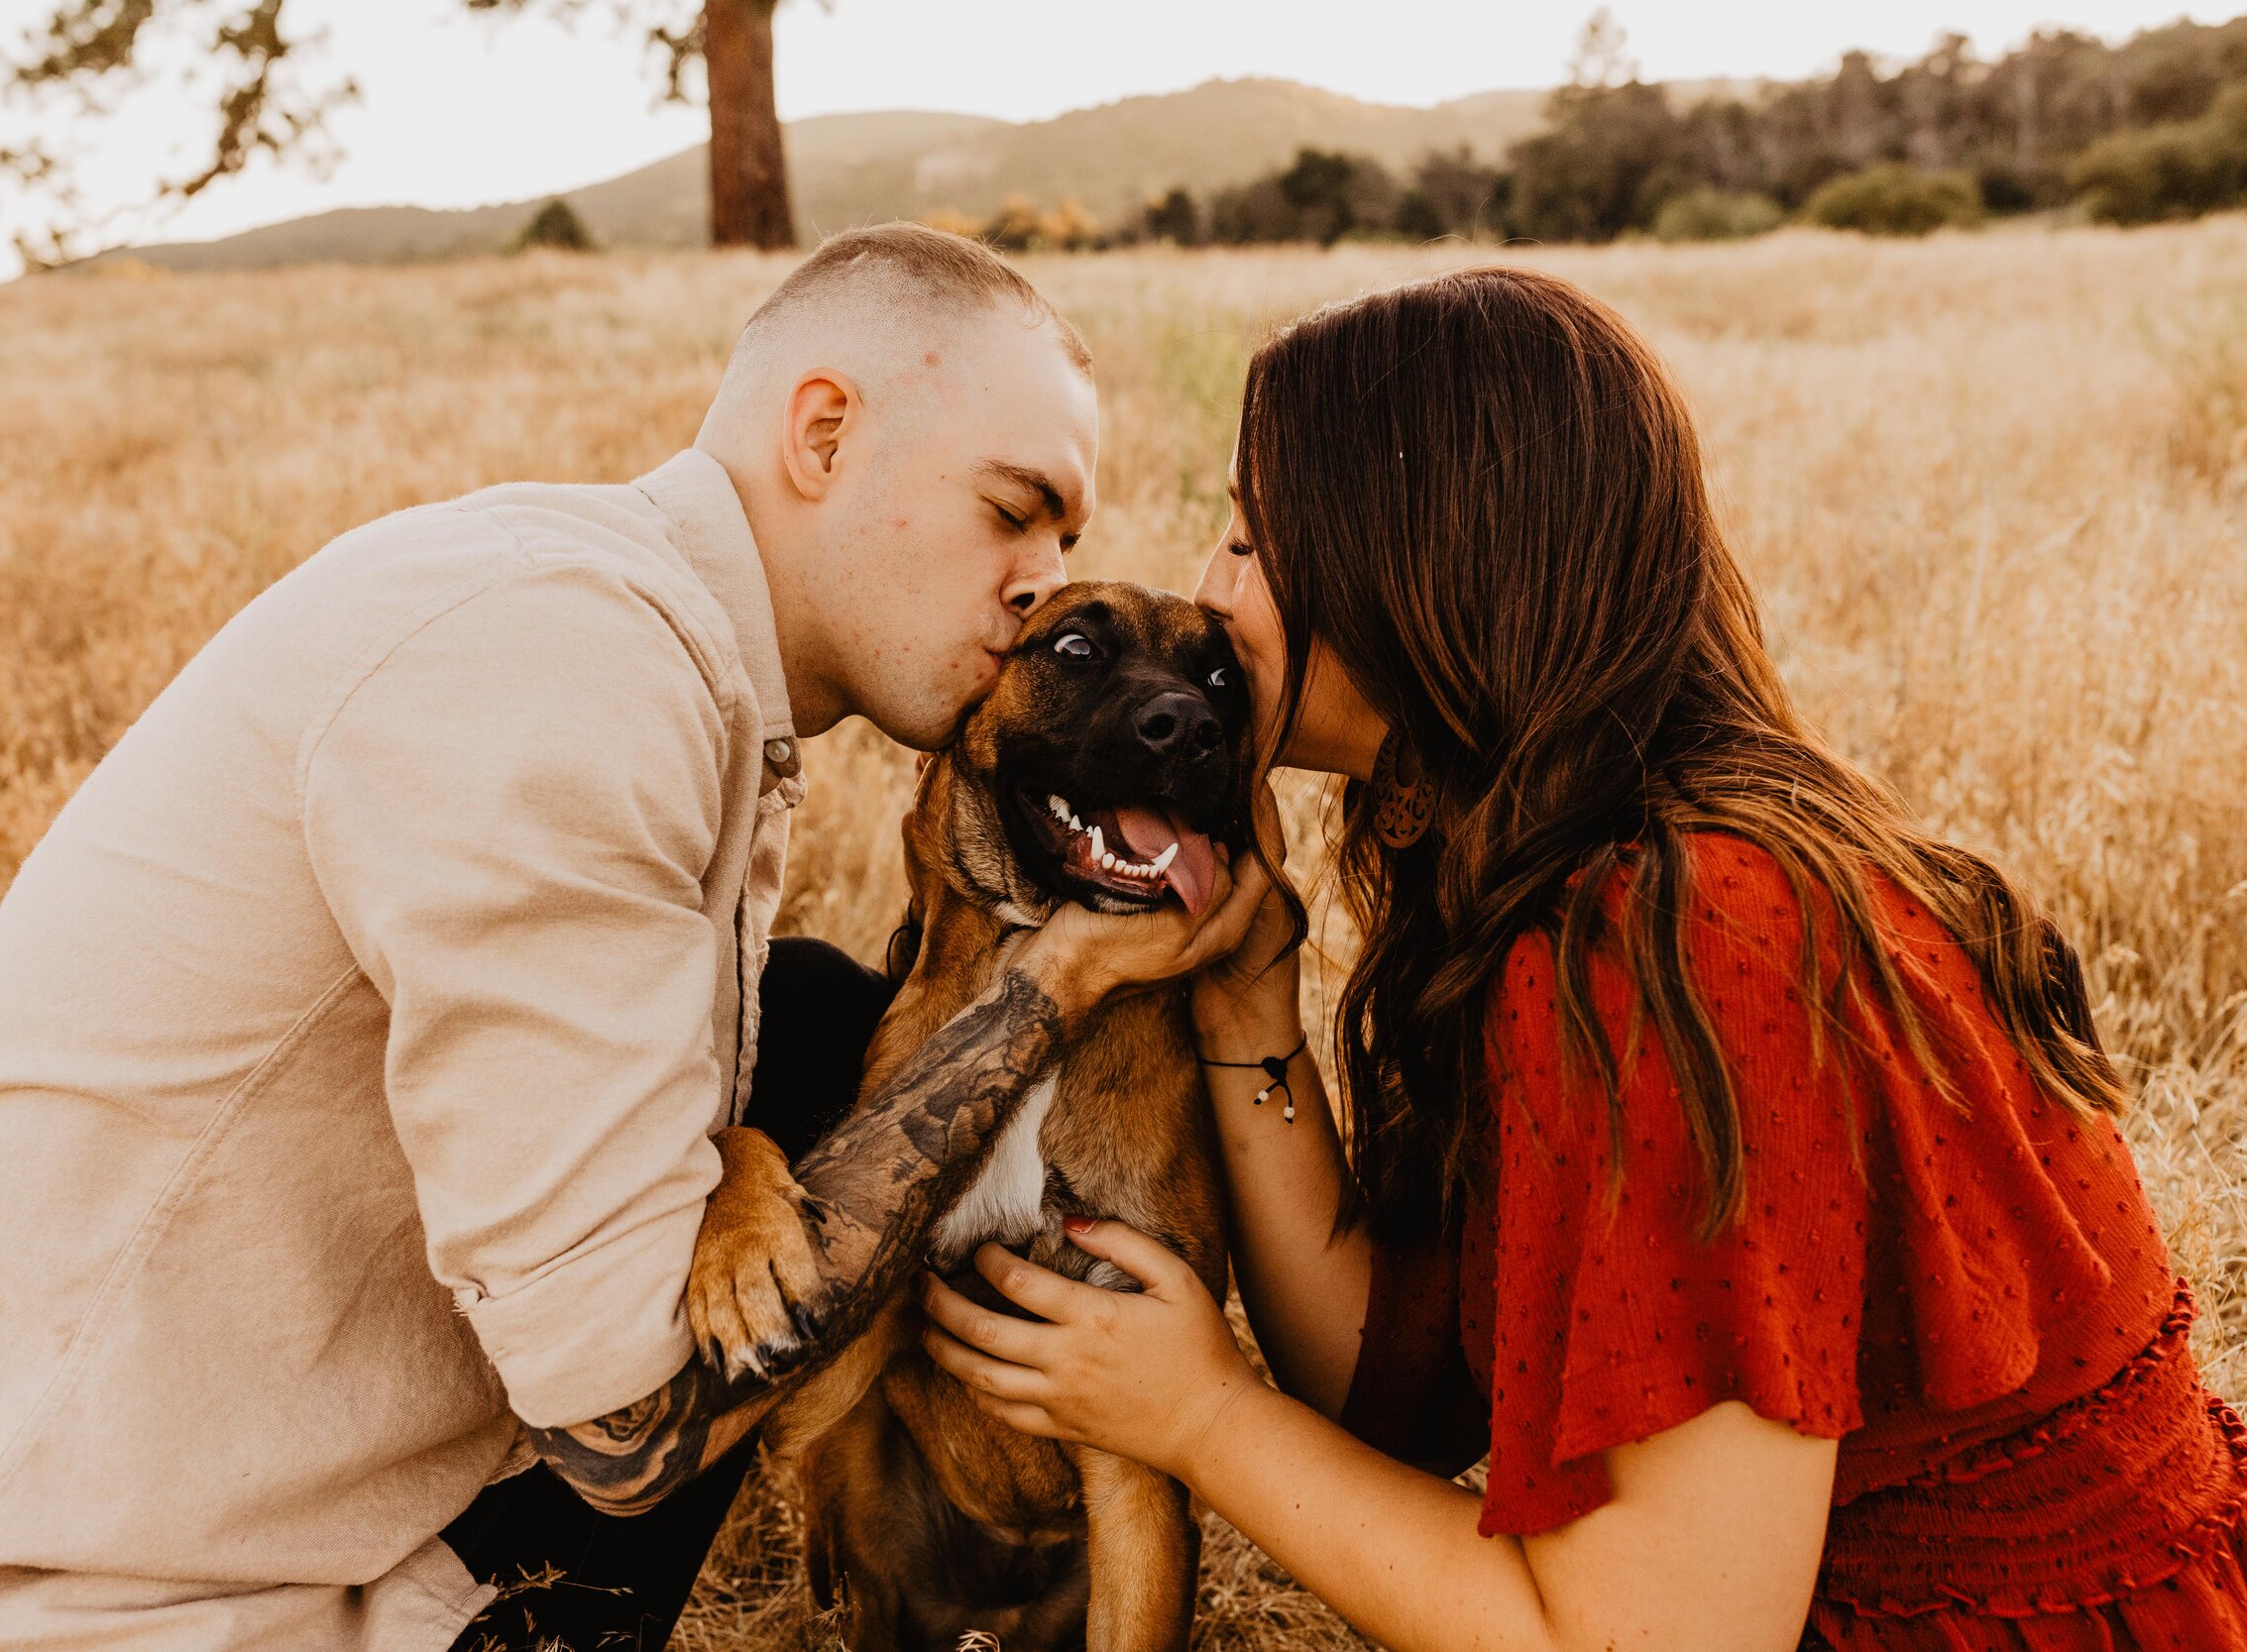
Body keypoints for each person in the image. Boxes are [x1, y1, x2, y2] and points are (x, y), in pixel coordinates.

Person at [0, 223, 1263, 1652]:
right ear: (823, 435)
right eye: (1014, 510)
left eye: (1064, 533)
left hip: (311, 1560)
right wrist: (1054, 980)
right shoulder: (564, 668)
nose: (1037, 578)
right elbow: (628, 1431)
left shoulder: (648, 648)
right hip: (85, 1616)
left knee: (806, 1020)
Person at [922, 267, 2247, 1650]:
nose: (1211, 594)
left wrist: (1197, 1415)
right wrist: (1252, 998)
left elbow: (1648, 1643)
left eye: (1250, 540)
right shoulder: (1559, 857)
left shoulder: (1691, 942)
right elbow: (1397, 1388)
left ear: (1418, 566)